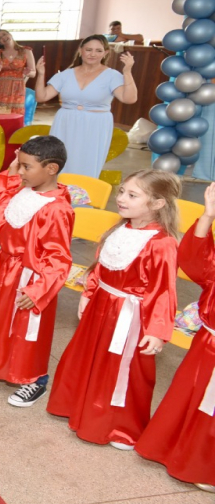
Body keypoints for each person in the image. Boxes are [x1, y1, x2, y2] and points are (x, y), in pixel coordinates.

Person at [47, 170, 180, 450]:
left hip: (129, 315)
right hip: (101, 306)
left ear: (157, 203)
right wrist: (89, 291)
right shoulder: (120, 228)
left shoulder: (162, 243)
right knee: (89, 357)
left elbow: (163, 290)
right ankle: (77, 406)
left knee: (122, 368)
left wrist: (157, 330)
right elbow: (101, 265)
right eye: (121, 192)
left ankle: (120, 426)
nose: (121, 198)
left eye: (132, 195)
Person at [0, 136, 74, 408]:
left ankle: (33, 379)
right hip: (6, 266)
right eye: (20, 165)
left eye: (27, 167)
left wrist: (39, 289)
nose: (20, 171)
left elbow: (59, 256)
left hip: (32, 275)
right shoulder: (25, 189)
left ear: (51, 169)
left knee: (27, 329)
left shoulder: (57, 209)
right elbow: (4, 193)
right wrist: (17, 163)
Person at [136, 182, 215, 492]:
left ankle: (204, 465)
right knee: (191, 399)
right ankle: (178, 452)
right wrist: (207, 217)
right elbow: (200, 267)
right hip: (207, 344)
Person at [36, 35, 137, 179]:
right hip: (66, 122)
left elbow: (129, 98)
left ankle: (82, 195)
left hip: (96, 124)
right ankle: (58, 194)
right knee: (60, 158)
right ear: (80, 50)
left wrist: (127, 72)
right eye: (88, 49)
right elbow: (42, 97)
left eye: (98, 50)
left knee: (87, 159)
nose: (93, 54)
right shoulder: (66, 74)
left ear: (105, 53)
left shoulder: (112, 75)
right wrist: (40, 75)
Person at [0, 29, 35, 115]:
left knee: (15, 117)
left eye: (4, 34)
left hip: (17, 90)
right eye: (0, 38)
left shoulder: (26, 51)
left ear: (10, 34)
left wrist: (28, 72)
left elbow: (33, 73)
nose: (3, 37)